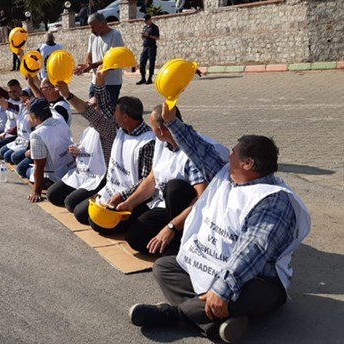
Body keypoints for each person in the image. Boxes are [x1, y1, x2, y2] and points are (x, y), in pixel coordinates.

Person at [129, 103, 311, 344]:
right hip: (213, 265)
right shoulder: (228, 174)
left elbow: (252, 251)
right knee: (164, 267)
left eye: (234, 153)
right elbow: (199, 150)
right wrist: (173, 122)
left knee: (245, 292)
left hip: (257, 278)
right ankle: (217, 322)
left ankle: (173, 314)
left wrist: (223, 288)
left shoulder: (272, 200)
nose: (228, 155)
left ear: (248, 164)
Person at [118, 105, 226, 255]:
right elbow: (152, 178)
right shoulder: (161, 143)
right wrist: (130, 202)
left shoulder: (190, 155)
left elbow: (202, 199)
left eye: (152, 127)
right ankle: (167, 244)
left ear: (161, 131)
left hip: (190, 211)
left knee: (175, 187)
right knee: (134, 238)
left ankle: (180, 245)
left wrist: (171, 227)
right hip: (165, 206)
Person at [57, 71, 154, 227]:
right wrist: (99, 82)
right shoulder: (121, 128)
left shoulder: (147, 141)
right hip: (112, 187)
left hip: (132, 196)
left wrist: (122, 197)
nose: (111, 115)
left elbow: (145, 181)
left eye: (115, 113)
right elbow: (99, 107)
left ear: (125, 117)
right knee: (82, 214)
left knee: (97, 223)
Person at [25, 98, 76, 203]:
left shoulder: (37, 134)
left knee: (24, 169)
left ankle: (49, 186)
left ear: (34, 116)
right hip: (72, 167)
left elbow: (39, 167)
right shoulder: (59, 118)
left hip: (56, 176)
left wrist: (36, 192)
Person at [74, 13, 125, 106]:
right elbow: (89, 54)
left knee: (107, 114)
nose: (92, 30)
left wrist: (92, 66)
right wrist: (87, 64)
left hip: (111, 84)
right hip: (95, 82)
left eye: (93, 27)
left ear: (102, 24)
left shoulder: (115, 35)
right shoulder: (93, 37)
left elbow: (113, 62)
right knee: (93, 113)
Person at [136, 15, 160, 85]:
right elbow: (143, 37)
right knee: (142, 63)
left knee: (151, 63)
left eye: (146, 21)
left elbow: (157, 37)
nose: (145, 22)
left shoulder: (155, 27)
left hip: (152, 47)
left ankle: (150, 78)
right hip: (145, 47)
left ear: (149, 19)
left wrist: (148, 35)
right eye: (144, 21)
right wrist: (143, 36)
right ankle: (143, 78)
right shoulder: (145, 27)